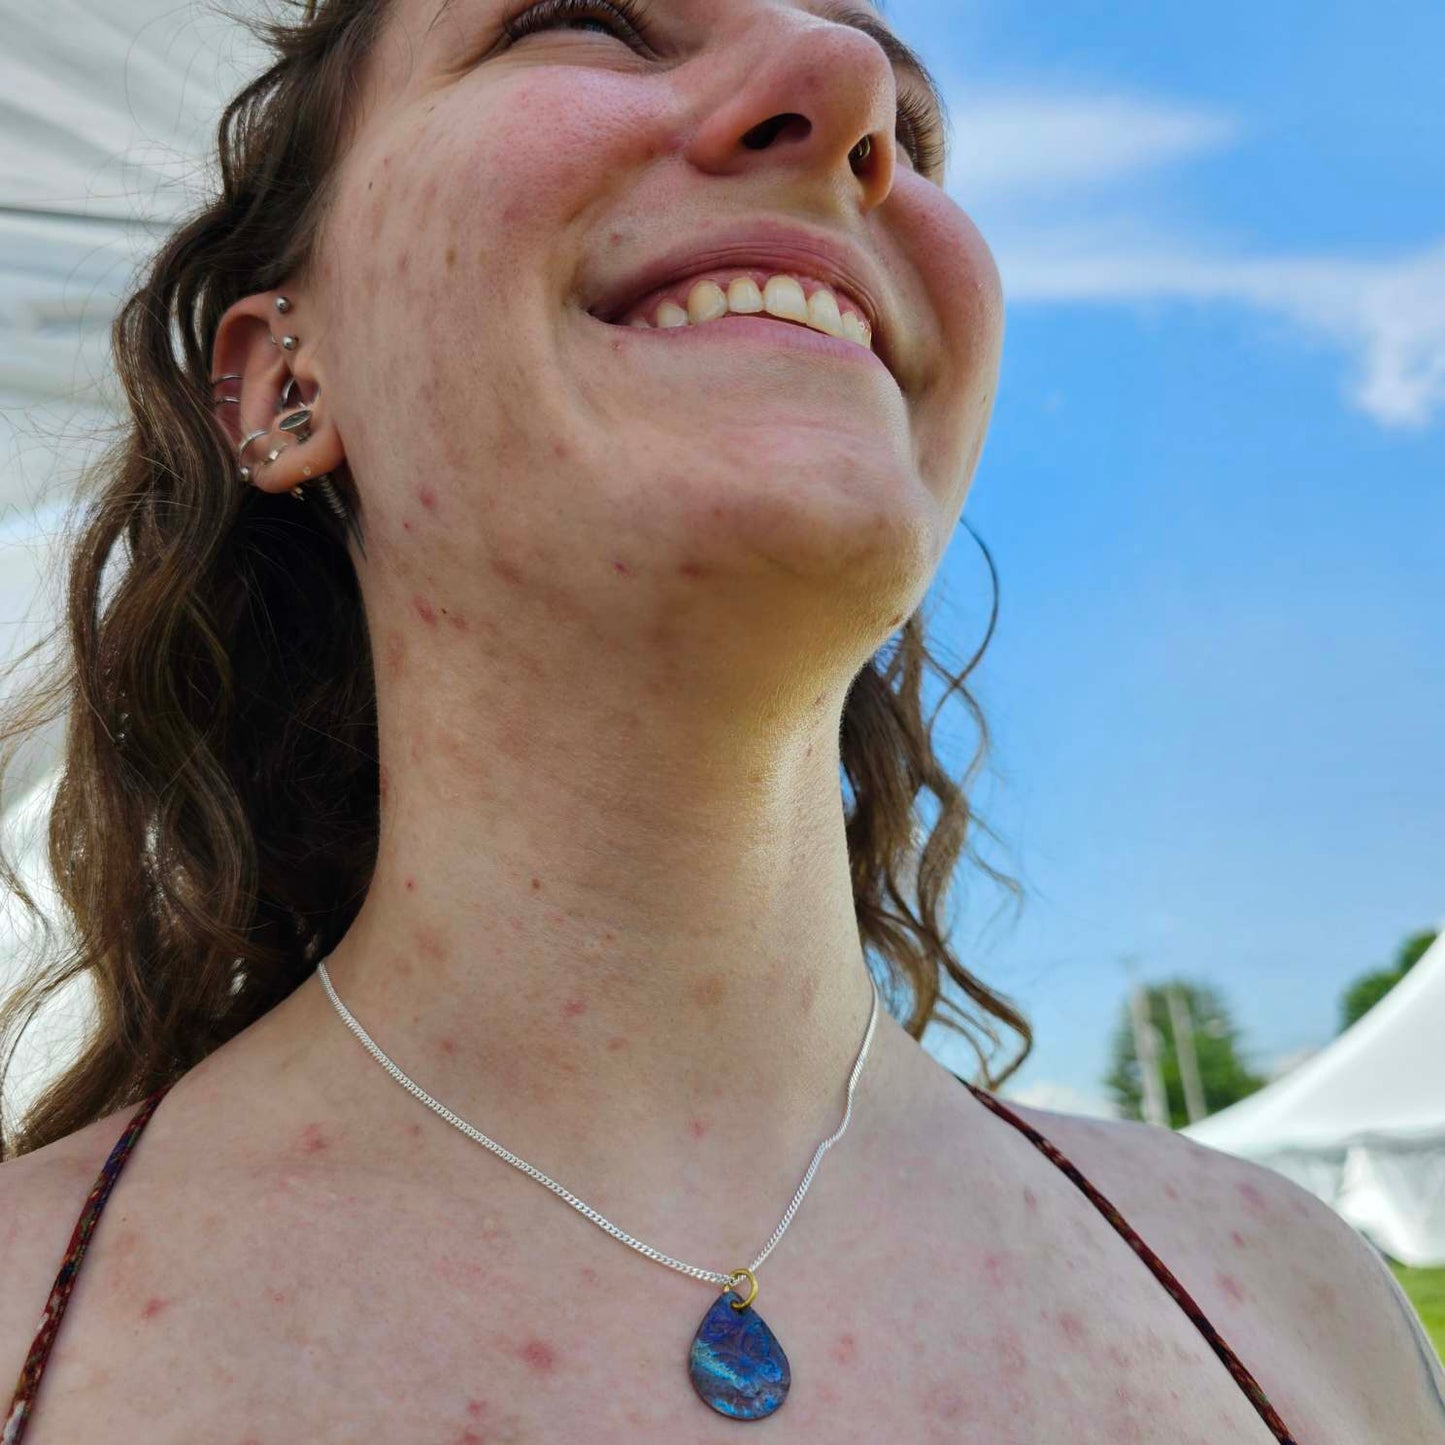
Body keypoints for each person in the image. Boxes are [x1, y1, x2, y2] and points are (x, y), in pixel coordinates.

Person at [1, 0, 1441, 1438]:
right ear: (286, 382)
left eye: (915, 126)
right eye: (585, 21)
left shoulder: (1295, 1307)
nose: (848, 82)